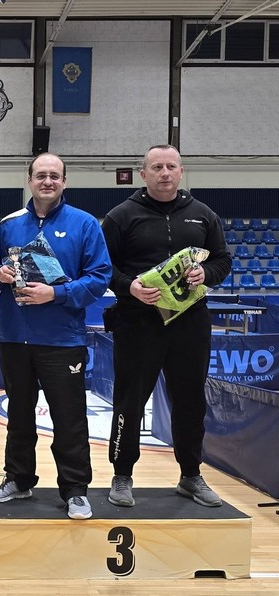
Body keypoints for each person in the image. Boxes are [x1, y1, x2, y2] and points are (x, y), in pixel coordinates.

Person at [0, 153, 111, 520]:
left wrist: (55, 293)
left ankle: (75, 490)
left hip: (63, 341)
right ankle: (18, 480)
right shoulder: (8, 225)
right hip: (14, 339)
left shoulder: (85, 224)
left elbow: (99, 277)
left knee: (69, 419)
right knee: (19, 416)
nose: (47, 181)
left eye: (54, 176)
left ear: (64, 182)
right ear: (29, 180)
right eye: (41, 175)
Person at [102, 145, 231, 508]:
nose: (164, 173)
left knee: (190, 401)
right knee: (129, 400)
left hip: (190, 323)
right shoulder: (121, 216)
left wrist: (206, 273)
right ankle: (122, 475)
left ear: (181, 171)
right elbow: (102, 267)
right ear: (143, 174)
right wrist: (129, 286)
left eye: (171, 166)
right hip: (137, 322)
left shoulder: (203, 215)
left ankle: (190, 475)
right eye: (157, 167)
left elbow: (223, 260)